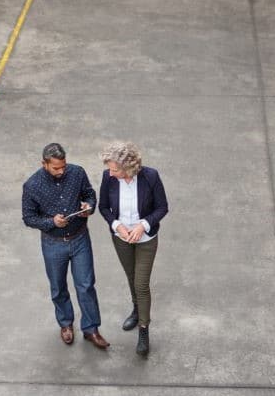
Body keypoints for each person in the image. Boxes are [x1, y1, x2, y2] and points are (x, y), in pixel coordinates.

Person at [22, 143, 109, 349]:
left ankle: (91, 329)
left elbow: (89, 194)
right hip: (53, 244)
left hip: (80, 239)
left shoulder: (77, 173)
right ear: (44, 164)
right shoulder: (32, 185)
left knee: (86, 285)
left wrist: (89, 207)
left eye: (63, 166)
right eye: (56, 168)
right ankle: (66, 324)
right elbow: (28, 217)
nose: (61, 171)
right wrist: (51, 222)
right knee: (58, 287)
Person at [98, 142, 168, 357]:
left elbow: (162, 207)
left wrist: (143, 225)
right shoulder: (108, 178)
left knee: (141, 283)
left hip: (146, 238)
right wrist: (116, 225)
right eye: (110, 168)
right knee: (131, 277)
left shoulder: (150, 177)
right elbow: (103, 207)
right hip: (121, 238)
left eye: (115, 169)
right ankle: (137, 311)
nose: (111, 173)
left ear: (128, 167)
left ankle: (144, 329)